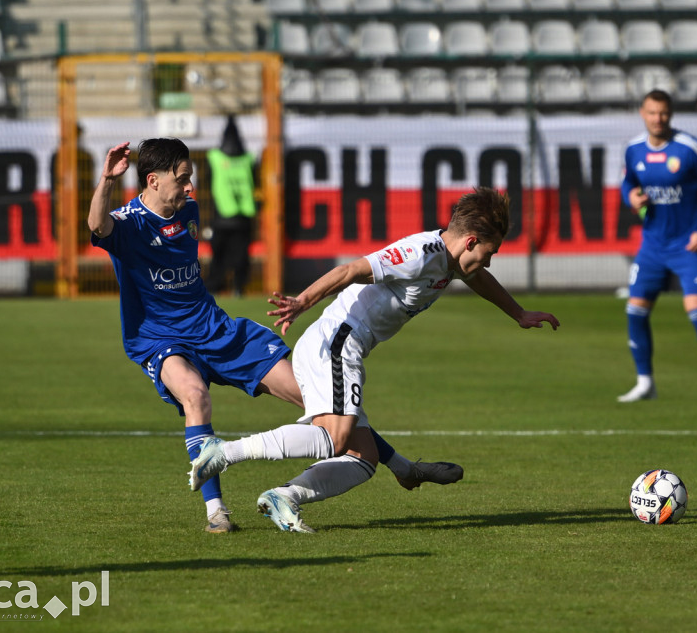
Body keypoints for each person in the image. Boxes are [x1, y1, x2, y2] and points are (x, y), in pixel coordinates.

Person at [87, 138, 463, 534]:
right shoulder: (128, 223)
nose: (190, 188)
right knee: (196, 396)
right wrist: (107, 179)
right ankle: (216, 512)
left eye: (190, 179)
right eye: (182, 180)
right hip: (159, 340)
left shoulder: (190, 211)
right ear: (153, 180)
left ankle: (403, 468)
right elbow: (98, 226)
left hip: (216, 330)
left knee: (320, 400)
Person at [189, 187, 561, 533]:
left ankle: (285, 497)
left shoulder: (452, 260)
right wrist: (302, 301)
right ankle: (222, 452)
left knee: (363, 459)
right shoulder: (419, 254)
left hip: (340, 347)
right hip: (337, 343)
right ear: (471, 241)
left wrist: (517, 313)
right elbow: (351, 270)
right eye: (489, 253)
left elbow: (478, 278)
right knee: (335, 438)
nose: (489, 263)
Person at [618, 90, 697, 406]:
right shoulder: (633, 149)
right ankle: (645, 382)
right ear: (642, 113)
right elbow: (627, 182)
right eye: (652, 113)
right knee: (635, 311)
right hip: (653, 246)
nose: (658, 119)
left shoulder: (688, 149)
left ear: (671, 115)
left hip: (688, 246)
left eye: (664, 113)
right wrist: (629, 197)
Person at [206, 116, 256, 296]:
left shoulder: (214, 158)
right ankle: (238, 288)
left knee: (217, 256)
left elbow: (208, 181)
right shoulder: (248, 159)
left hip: (221, 216)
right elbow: (255, 182)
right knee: (241, 256)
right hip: (243, 217)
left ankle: (213, 286)